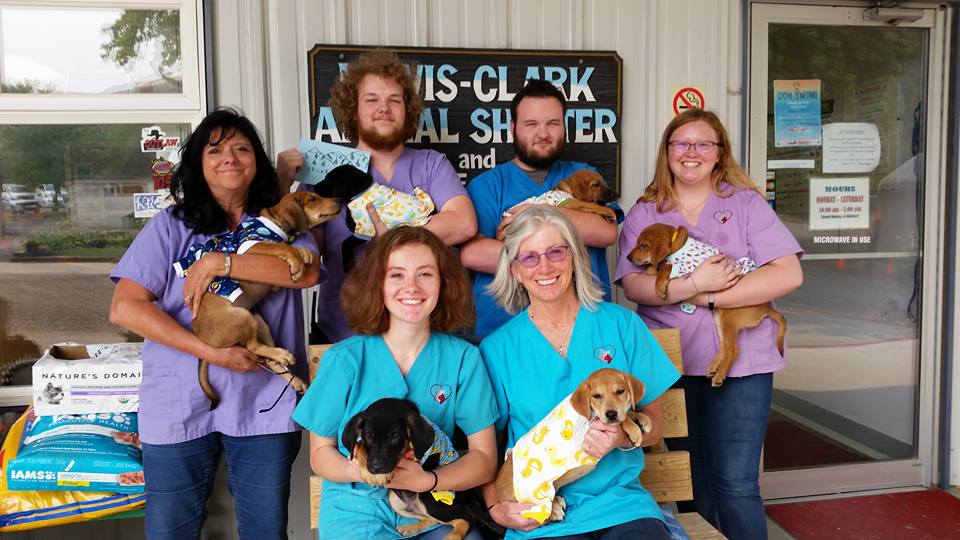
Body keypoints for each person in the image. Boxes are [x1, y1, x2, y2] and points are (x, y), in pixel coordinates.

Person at [109, 108, 320, 539]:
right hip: (179, 398)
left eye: (242, 148)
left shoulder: (281, 220)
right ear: (198, 163)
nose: (229, 157)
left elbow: (307, 272)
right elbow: (125, 308)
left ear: (256, 162)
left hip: (263, 400)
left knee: (265, 532)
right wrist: (212, 353)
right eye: (216, 149)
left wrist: (219, 262)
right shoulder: (171, 226)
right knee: (171, 532)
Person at [616, 109, 803, 540]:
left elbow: (788, 274)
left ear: (720, 154)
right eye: (681, 143)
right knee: (690, 480)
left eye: (704, 144)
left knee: (736, 484)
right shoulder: (647, 211)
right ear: (667, 153)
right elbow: (633, 285)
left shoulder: (745, 204)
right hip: (669, 362)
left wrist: (713, 297)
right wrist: (697, 282)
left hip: (741, 364)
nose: (691, 152)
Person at [479, 206, 680, 539]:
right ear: (514, 270)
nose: (544, 267)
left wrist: (623, 436)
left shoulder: (621, 324)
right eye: (529, 257)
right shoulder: (498, 348)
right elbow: (484, 451)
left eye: (556, 252)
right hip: (541, 513)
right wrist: (495, 507)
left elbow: (655, 425)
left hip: (621, 505)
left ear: (575, 257)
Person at [292, 226, 499, 540]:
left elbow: (483, 460)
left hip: (434, 509)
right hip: (355, 510)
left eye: (425, 274)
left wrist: (427, 480)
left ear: (444, 284)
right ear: (378, 284)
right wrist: (366, 470)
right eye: (397, 275)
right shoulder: (345, 359)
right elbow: (320, 454)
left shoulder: (463, 359)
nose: (412, 287)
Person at [277, 50, 477, 343]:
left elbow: (463, 223)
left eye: (394, 100)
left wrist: (393, 239)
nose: (384, 108)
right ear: (352, 110)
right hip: (345, 335)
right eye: (372, 100)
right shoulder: (325, 170)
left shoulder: (430, 164)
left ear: (407, 111)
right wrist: (282, 183)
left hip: (421, 335)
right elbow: (302, 250)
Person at [461, 79, 621, 338]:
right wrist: (555, 248)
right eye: (531, 124)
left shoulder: (583, 174)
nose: (543, 133)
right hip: (505, 330)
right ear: (513, 128)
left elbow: (606, 231)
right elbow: (473, 254)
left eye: (553, 123)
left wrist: (534, 215)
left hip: (586, 328)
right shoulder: (488, 185)